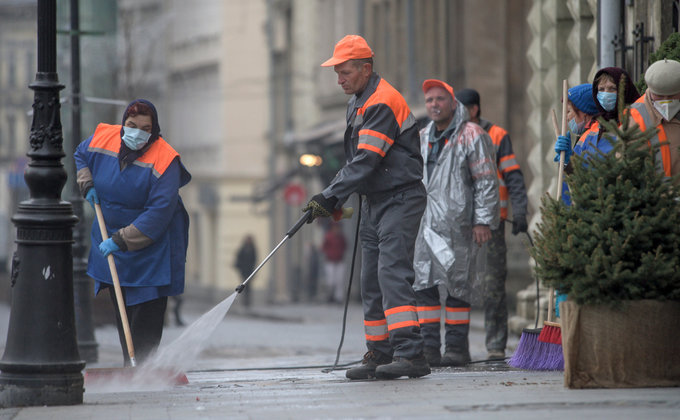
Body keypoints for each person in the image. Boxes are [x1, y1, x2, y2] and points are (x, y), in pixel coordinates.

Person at [303, 35, 430, 380]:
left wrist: (330, 195)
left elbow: (365, 161)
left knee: (391, 274)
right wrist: (335, 198)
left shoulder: (381, 102)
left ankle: (411, 353)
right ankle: (379, 352)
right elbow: (357, 164)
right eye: (337, 73)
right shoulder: (358, 101)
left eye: (344, 72)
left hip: (400, 198)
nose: (339, 79)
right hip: (376, 201)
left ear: (365, 69)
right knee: (370, 280)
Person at [74, 99, 191, 365]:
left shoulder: (165, 158)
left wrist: (121, 240)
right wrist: (86, 183)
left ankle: (144, 367)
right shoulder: (104, 137)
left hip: (151, 247)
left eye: (145, 127)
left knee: (147, 310)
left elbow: (159, 213)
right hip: (109, 237)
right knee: (122, 306)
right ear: (123, 123)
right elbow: (81, 154)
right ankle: (131, 364)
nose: (137, 131)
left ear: (154, 129)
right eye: (131, 125)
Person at [413, 80, 500, 367]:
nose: (434, 105)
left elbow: (486, 180)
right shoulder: (423, 136)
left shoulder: (472, 134)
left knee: (458, 286)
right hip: (426, 224)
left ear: (453, 103)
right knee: (424, 283)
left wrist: (483, 221)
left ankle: (456, 348)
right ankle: (428, 349)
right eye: (429, 100)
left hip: (461, 225)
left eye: (440, 99)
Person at [456, 88, 528, 360]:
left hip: (491, 225)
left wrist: (520, 210)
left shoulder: (497, 135)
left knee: (494, 284)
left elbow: (513, 177)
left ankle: (496, 345)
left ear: (474, 109)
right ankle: (456, 347)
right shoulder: (452, 136)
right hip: (459, 226)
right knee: (458, 285)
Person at [554, 67, 640, 171]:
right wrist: (566, 161)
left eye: (612, 88)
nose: (606, 94)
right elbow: (578, 175)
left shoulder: (636, 121)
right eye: (601, 89)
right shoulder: (595, 130)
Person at [629, 59, 680, 178]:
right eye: (659, 96)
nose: (666, 101)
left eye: (672, 96)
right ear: (650, 91)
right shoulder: (636, 119)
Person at [321, 222, 347, 303]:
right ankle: (330, 296)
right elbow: (324, 247)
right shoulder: (328, 236)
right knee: (331, 280)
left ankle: (338, 298)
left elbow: (345, 246)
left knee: (339, 280)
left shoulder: (341, 237)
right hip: (330, 261)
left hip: (339, 261)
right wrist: (328, 254)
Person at [235, 235, 257, 307]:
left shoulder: (253, 249)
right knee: (243, 286)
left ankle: (248, 302)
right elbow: (239, 258)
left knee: (249, 287)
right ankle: (244, 301)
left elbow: (254, 259)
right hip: (243, 270)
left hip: (250, 271)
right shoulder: (243, 249)